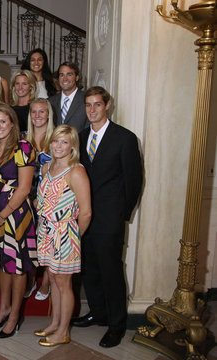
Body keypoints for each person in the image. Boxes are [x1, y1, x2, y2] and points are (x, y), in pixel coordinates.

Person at [71, 86, 143, 348]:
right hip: (83, 217)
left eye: (96, 105)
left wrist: (120, 215)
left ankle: (116, 324)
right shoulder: (78, 137)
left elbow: (134, 182)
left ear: (107, 105)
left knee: (111, 271)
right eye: (88, 105)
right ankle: (98, 312)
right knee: (89, 269)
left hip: (109, 219)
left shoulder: (124, 138)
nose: (92, 110)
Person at [34, 124, 91, 347]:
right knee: (54, 279)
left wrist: (73, 237)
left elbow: (86, 212)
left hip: (65, 234)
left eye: (64, 142)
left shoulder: (77, 171)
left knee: (64, 283)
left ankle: (64, 331)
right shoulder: (46, 166)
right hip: (46, 232)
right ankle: (55, 323)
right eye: (56, 141)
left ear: (72, 146)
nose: (59, 146)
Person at [0, 104, 37, 339]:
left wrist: (2, 215)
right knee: (1, 262)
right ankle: (3, 308)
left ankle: (15, 315)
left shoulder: (24, 148)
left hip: (15, 212)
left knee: (16, 265)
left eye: (3, 122)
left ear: (12, 123)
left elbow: (24, 188)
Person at [24, 98, 55, 301]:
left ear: (48, 114)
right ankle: (30, 280)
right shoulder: (22, 139)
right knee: (29, 243)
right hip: (25, 197)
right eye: (34, 112)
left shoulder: (56, 138)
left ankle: (46, 283)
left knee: (48, 243)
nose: (37, 116)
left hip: (50, 200)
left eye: (42, 112)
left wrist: (42, 200)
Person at [48, 61, 89, 133]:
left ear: (77, 77)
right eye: (61, 75)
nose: (65, 79)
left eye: (69, 75)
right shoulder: (50, 102)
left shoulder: (86, 100)